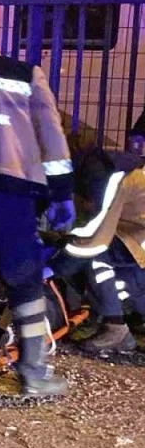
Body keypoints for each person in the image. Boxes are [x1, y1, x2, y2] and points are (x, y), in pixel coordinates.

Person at [0, 32, 74, 395]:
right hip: (12, 188)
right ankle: (34, 371)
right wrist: (62, 193)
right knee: (24, 278)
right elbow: (51, 135)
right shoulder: (25, 73)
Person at [57, 148, 145, 353]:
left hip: (138, 239)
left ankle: (115, 328)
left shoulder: (114, 181)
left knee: (94, 256)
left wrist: (55, 268)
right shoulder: (118, 172)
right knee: (127, 278)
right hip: (135, 237)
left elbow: (95, 239)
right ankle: (120, 323)